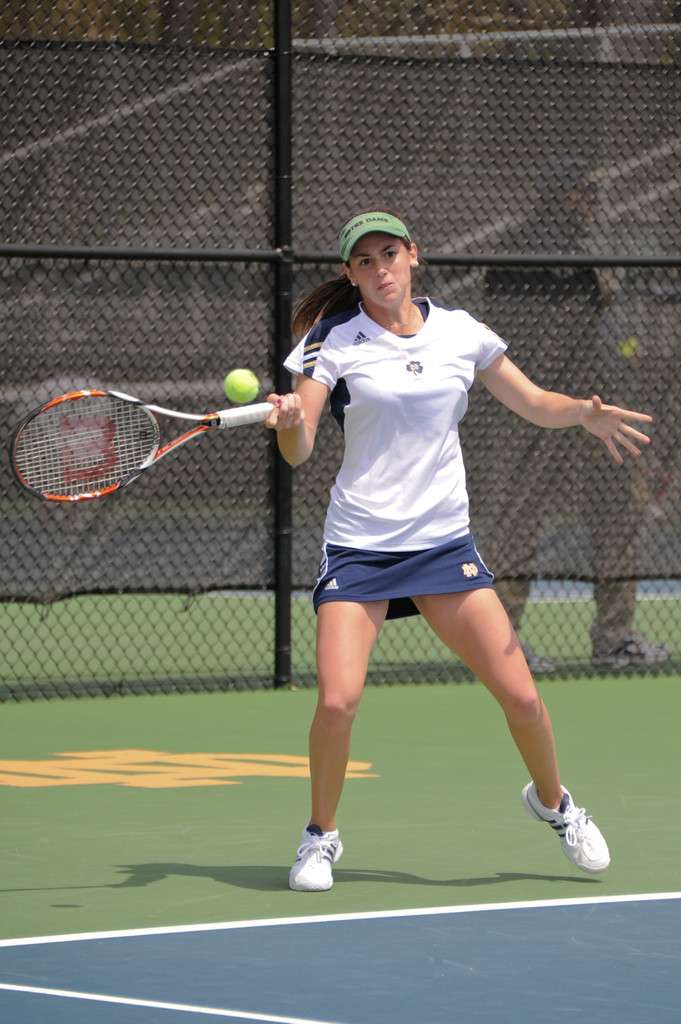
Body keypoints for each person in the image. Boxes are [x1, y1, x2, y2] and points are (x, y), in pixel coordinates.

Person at [263, 206, 652, 892]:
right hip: (360, 547)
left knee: (523, 700)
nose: (380, 269)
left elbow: (531, 401)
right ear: (349, 274)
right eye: (364, 261)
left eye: (389, 254)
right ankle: (319, 837)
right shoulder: (331, 342)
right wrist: (290, 422)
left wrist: (583, 415)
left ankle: (555, 805)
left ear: (413, 255)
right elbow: (299, 452)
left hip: (442, 545)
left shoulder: (460, 331)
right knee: (336, 703)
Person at [473, 154, 671, 672]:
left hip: (594, 404)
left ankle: (615, 636)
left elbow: (602, 296)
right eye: (581, 194)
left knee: (614, 511)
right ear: (562, 197)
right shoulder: (521, 244)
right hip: (535, 404)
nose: (589, 204)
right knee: (519, 513)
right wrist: (591, 273)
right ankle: (504, 641)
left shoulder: (585, 251)